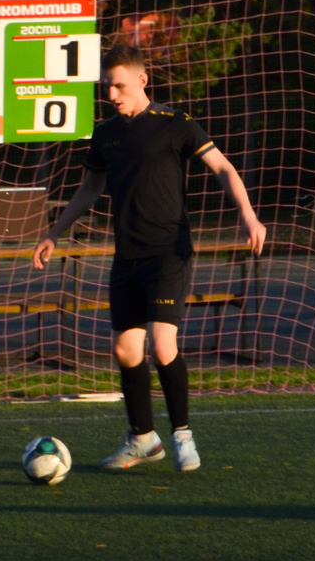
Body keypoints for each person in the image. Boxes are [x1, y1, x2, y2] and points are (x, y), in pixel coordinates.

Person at [31, 43, 266, 472]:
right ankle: (143, 439)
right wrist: (54, 233)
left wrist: (248, 216)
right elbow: (90, 188)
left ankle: (183, 436)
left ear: (142, 80)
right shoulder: (105, 134)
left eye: (119, 86)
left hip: (169, 252)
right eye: (107, 87)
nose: (112, 95)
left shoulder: (175, 123)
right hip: (128, 256)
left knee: (161, 343)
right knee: (126, 351)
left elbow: (223, 168)